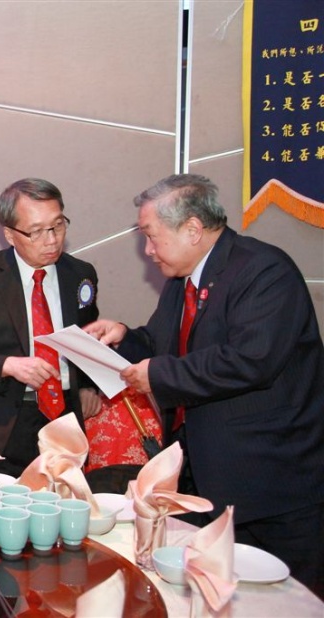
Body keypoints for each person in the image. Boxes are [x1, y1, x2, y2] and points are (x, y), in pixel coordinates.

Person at [84, 173, 324, 596]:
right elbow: (164, 344)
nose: (148, 250)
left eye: (151, 236)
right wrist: (124, 336)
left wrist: (157, 375)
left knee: (291, 600)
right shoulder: (184, 281)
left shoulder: (265, 270)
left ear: (192, 229)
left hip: (274, 484)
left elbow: (250, 360)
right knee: (219, 596)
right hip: (212, 478)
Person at [0, 178, 101, 477]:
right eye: (36, 231)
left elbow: (87, 338)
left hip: (63, 419)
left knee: (62, 502)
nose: (51, 240)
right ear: (10, 235)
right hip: (0, 423)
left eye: (58, 225)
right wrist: (9, 365)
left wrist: (88, 384)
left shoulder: (80, 274)